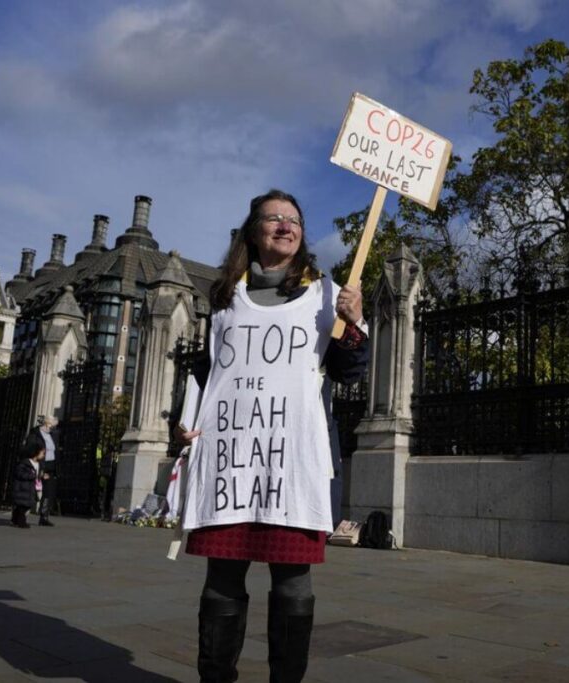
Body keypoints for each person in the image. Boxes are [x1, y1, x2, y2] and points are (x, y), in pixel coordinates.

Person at [179, 189, 368, 683]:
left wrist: (353, 322)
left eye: (294, 220)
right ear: (254, 230)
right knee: (222, 580)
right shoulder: (225, 298)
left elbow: (351, 371)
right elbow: (208, 372)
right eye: (274, 219)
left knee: (293, 585)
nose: (286, 226)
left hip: (291, 466)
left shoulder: (327, 294)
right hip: (233, 463)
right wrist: (188, 416)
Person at [27, 416, 59, 526]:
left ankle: (44, 516)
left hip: (51, 466)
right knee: (32, 488)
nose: (53, 427)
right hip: (40, 464)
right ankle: (21, 512)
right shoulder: (36, 433)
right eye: (52, 425)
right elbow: (31, 449)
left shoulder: (52, 435)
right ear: (46, 423)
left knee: (48, 492)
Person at [11, 435, 46, 529]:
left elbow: (38, 474)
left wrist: (42, 476)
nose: (43, 455)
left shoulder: (39, 464)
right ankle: (22, 523)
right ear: (35, 453)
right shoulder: (26, 463)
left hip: (31, 488)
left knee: (23, 506)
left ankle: (15, 519)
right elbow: (20, 473)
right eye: (42, 453)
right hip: (23, 488)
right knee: (23, 506)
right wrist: (32, 476)